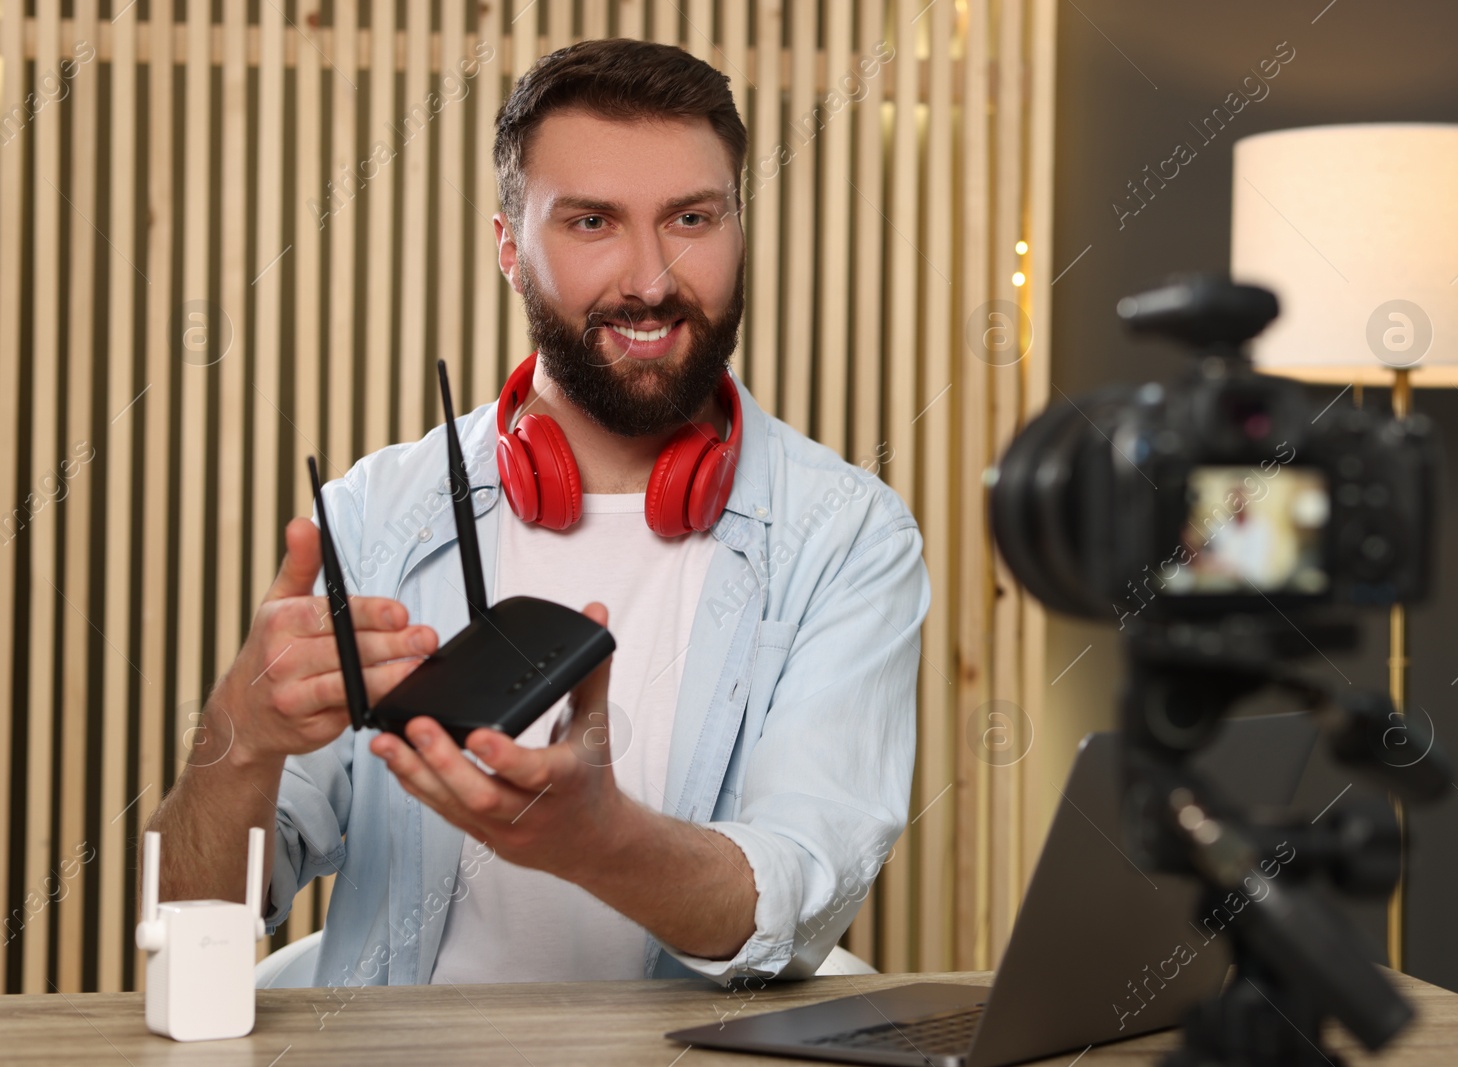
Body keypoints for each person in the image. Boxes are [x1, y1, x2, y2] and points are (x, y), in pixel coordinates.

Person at [142, 38, 930, 988]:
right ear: (510, 248)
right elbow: (190, 926)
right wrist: (236, 741)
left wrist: (601, 842)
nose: (648, 277)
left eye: (691, 217)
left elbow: (804, 890)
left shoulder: (848, 537)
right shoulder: (379, 514)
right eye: (592, 221)